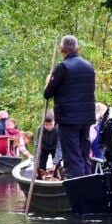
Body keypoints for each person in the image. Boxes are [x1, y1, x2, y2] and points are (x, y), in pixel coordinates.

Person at [43, 35, 96, 179]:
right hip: (86, 119)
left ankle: (78, 190)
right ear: (77, 48)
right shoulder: (89, 66)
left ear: (62, 50)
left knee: (73, 157)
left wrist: (49, 81)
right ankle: (89, 185)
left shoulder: (63, 68)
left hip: (68, 120)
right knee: (84, 155)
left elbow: (47, 94)